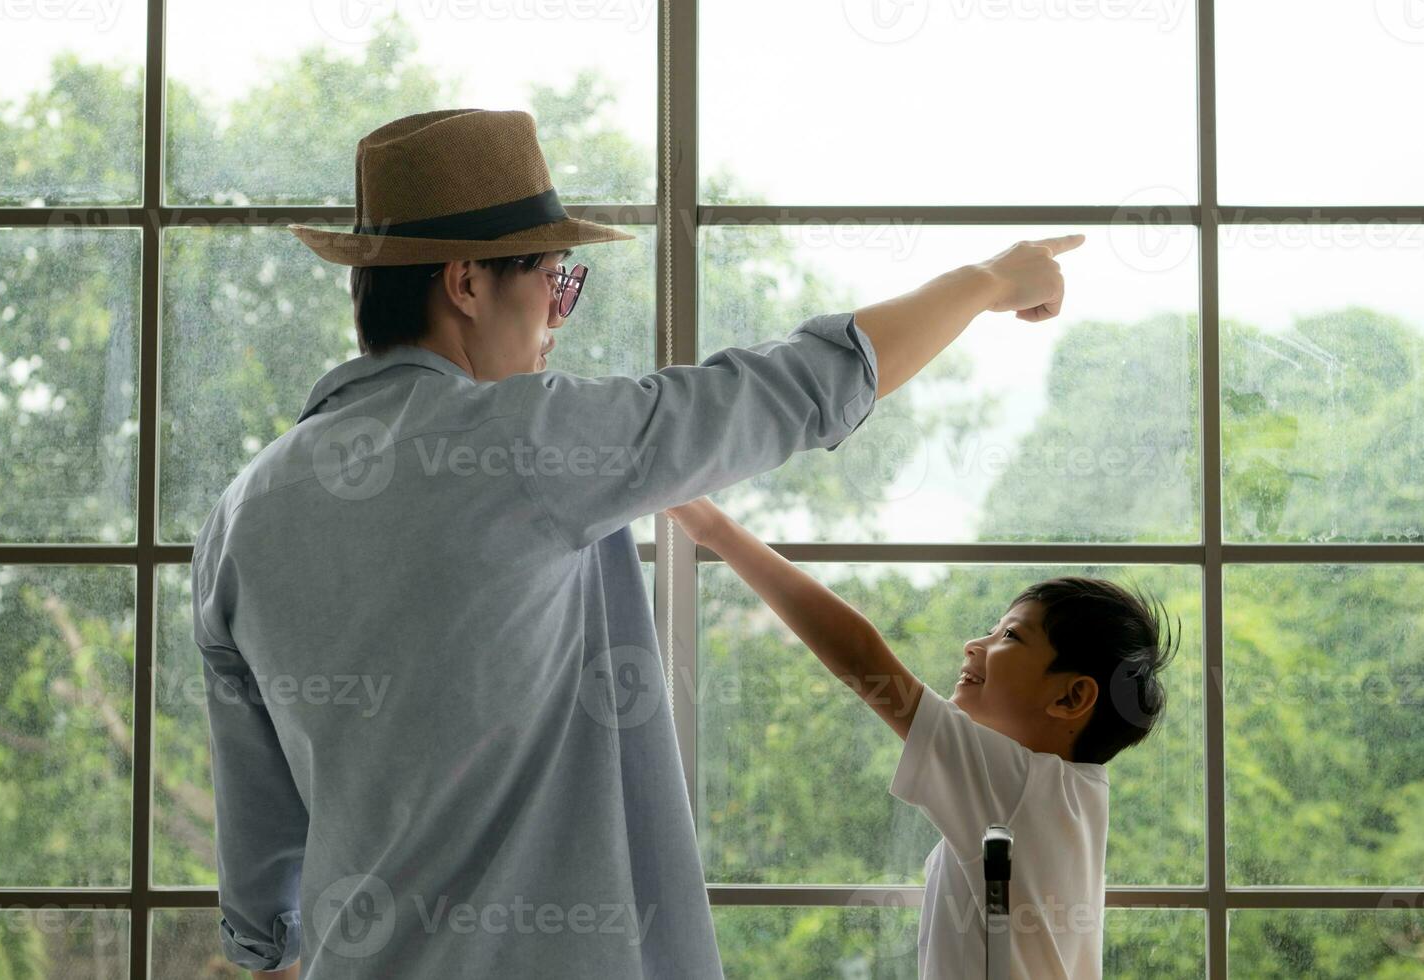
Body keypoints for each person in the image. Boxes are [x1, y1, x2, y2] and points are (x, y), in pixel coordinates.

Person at [192, 106, 1084, 979]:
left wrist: (270, 948)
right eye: (557, 282)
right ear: (465, 284)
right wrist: (992, 281)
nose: (559, 316)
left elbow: (261, 845)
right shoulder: (532, 441)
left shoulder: (241, 514)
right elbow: (799, 387)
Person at [664, 494, 1180, 979]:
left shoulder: (1017, 786)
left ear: (1071, 699)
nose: (973, 644)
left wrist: (715, 529)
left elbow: (864, 662)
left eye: (1010, 636)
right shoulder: (1076, 794)